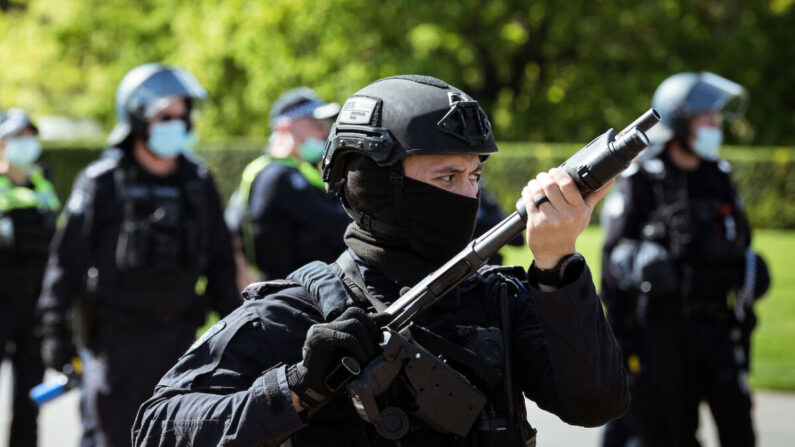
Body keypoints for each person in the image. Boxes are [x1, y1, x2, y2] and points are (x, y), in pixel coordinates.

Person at [133, 75, 629, 446]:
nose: (467, 195)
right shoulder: (295, 312)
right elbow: (156, 426)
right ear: (373, 182)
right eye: (446, 177)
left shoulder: (497, 299)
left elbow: (594, 404)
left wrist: (558, 268)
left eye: (473, 176)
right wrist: (297, 388)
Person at [37, 63, 242, 447]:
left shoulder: (198, 183)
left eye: (183, 116)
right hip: (115, 347)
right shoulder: (102, 182)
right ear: (136, 117)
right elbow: (65, 263)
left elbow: (220, 264)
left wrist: (236, 330)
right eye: (166, 116)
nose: (178, 124)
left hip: (181, 342)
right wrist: (54, 330)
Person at [599, 72, 770, 447]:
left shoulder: (718, 177)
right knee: (670, 432)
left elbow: (741, 239)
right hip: (663, 334)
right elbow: (612, 260)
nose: (715, 127)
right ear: (679, 121)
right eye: (707, 118)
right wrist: (638, 259)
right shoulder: (642, 179)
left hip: (719, 330)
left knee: (739, 427)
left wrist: (751, 270)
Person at [226, 87, 350, 283]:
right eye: (314, 122)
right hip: (292, 294)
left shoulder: (284, 170)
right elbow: (342, 226)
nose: (324, 131)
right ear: (285, 126)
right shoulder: (278, 177)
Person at [0, 109, 59, 447]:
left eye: (29, 135)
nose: (25, 143)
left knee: (30, 398)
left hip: (34, 304)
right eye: (16, 136)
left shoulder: (43, 184)